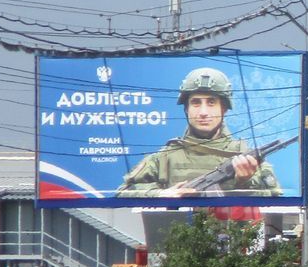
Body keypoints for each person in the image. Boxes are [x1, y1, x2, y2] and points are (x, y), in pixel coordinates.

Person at [118, 67, 282, 197]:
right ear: (186, 109)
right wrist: (162, 194)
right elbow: (123, 192)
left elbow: (275, 197)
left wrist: (244, 182)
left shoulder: (244, 156)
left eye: (211, 103)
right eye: (196, 103)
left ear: (223, 108)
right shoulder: (164, 158)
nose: (203, 112)